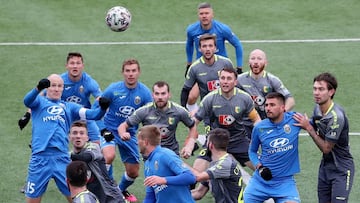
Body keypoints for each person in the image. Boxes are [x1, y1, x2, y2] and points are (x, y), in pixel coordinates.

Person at [18, 52, 103, 193]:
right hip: (40, 157)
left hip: (65, 146)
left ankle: (93, 179)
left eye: (59, 86)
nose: (56, 88)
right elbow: (29, 100)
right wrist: (36, 92)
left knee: (98, 149)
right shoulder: (41, 101)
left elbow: (93, 113)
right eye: (53, 86)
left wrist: (103, 107)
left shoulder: (72, 102)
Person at [192, 67, 261, 182]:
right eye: (222, 78)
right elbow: (194, 123)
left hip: (238, 140)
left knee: (263, 170)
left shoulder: (244, 98)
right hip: (215, 142)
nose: (225, 81)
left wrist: (258, 139)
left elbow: (256, 120)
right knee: (193, 177)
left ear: (235, 82)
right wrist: (190, 142)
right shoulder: (209, 99)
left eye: (229, 78)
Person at [293, 72, 354, 203]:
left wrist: (308, 128)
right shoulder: (317, 108)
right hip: (326, 168)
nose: (316, 93)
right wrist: (304, 121)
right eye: (315, 89)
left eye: (321, 89)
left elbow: (326, 148)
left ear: (331, 92)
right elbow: (315, 123)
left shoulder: (336, 117)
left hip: (341, 169)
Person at [99, 58, 153, 202]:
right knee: (109, 156)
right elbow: (96, 109)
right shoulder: (112, 89)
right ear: (123, 73)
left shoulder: (145, 93)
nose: (131, 74)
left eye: (133, 71)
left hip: (129, 134)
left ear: (139, 72)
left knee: (133, 172)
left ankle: (119, 191)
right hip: (109, 130)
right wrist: (103, 129)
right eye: (127, 71)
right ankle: (105, 190)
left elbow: (149, 118)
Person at [18, 52, 103, 143]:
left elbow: (100, 99)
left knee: (97, 143)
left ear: (82, 66)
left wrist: (102, 107)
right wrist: (27, 115)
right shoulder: (58, 82)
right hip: (64, 114)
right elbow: (39, 98)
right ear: (66, 65)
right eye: (72, 63)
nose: (75, 66)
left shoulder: (89, 82)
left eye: (78, 63)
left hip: (81, 114)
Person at [185, 2, 243, 112]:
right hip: (202, 68)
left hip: (221, 70)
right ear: (198, 15)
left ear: (212, 15)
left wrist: (239, 67)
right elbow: (189, 45)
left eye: (207, 13)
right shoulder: (191, 30)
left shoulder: (223, 29)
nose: (204, 16)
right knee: (191, 97)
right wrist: (189, 64)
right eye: (201, 13)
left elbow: (237, 44)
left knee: (226, 96)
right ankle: (198, 117)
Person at [244, 92, 301, 203]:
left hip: (285, 183)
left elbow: (313, 123)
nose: (268, 108)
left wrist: (311, 125)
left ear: (282, 107)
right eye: (266, 105)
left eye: (272, 105)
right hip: (261, 182)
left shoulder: (294, 119)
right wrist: (258, 166)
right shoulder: (259, 128)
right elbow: (252, 151)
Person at [118, 81, 198, 157]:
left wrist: (189, 145)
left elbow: (192, 126)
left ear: (169, 95)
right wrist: (123, 134)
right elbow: (123, 126)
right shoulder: (144, 111)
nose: (160, 97)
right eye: (157, 94)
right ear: (153, 95)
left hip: (171, 154)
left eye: (163, 94)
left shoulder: (179, 111)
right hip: (150, 155)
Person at [237, 49, 295, 138]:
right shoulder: (240, 79)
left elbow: (290, 99)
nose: (256, 62)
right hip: (246, 124)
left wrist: (282, 112)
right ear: (249, 62)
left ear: (266, 62)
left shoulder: (272, 80)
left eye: (259, 59)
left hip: (268, 123)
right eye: (253, 58)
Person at [69, 120, 125, 203]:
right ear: (69, 137)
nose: (78, 136)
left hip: (110, 197)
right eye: (75, 133)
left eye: (81, 133)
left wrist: (63, 155)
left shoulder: (93, 147)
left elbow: (86, 157)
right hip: (90, 198)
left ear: (87, 137)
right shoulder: (71, 155)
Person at [138, 125, 196, 203]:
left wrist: (163, 180)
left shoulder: (165, 155)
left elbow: (190, 177)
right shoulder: (147, 164)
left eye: (138, 140)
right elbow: (150, 197)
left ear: (145, 142)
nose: (137, 143)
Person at [181, 33, 235, 112]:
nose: (207, 49)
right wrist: (184, 110)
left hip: (228, 107)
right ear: (199, 48)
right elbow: (185, 90)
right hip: (208, 110)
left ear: (215, 48)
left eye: (210, 46)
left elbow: (236, 84)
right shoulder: (194, 68)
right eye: (204, 46)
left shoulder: (226, 63)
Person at [190, 128, 244, 203]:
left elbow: (198, 177)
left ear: (210, 145)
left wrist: (176, 162)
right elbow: (199, 193)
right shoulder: (215, 164)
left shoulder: (225, 164)